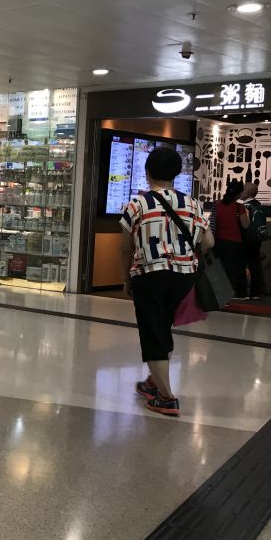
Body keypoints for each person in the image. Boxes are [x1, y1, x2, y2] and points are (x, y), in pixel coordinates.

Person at [119, 147, 212, 417]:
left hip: (149, 274)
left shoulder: (137, 204)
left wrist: (125, 278)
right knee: (163, 327)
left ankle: (167, 397)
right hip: (184, 277)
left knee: (153, 331)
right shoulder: (193, 204)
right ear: (176, 174)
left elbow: (125, 248)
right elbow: (208, 242)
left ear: (147, 171)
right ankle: (154, 381)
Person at [212, 181, 250, 298]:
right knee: (232, 270)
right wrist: (247, 214)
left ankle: (219, 295)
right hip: (234, 242)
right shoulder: (239, 206)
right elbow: (245, 225)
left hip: (218, 241)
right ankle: (229, 295)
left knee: (219, 269)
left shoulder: (217, 204)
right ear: (238, 194)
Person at [242, 182, 267, 299]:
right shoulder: (258, 205)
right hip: (256, 240)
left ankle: (248, 292)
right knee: (255, 265)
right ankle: (257, 291)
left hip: (247, 240)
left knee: (247, 265)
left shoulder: (246, 207)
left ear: (246, 193)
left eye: (243, 190)